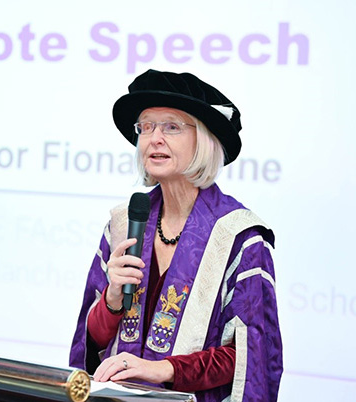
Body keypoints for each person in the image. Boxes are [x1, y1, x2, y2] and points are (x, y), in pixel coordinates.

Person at [69, 69, 282, 401]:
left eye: (171, 127)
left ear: (204, 141)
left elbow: (248, 356)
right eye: (145, 127)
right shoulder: (123, 224)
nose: (154, 138)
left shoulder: (239, 237)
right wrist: (111, 300)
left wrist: (163, 369)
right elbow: (92, 341)